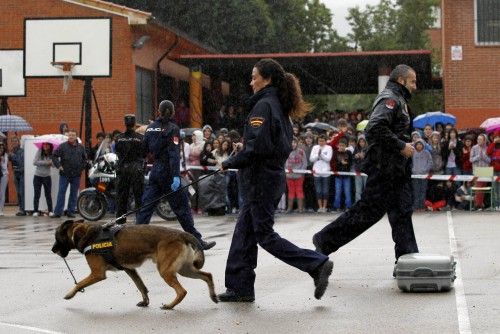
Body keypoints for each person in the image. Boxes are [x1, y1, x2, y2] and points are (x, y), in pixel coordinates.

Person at [218, 58, 333, 303]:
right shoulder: (279, 106)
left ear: (267, 79)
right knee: (244, 234)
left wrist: (230, 162)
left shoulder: (264, 106)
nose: (251, 82)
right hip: (268, 178)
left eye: (254, 76)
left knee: (264, 235)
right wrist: (245, 147)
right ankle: (240, 287)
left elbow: (258, 148)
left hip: (260, 180)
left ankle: (316, 263)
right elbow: (270, 145)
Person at [312, 64, 419, 265]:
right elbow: (375, 128)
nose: (415, 86)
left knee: (402, 212)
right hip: (385, 169)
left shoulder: (400, 100)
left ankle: (408, 260)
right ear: (401, 80)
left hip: (397, 170)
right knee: (368, 212)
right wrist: (400, 145)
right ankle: (324, 240)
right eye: (412, 81)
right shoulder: (390, 99)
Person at [135, 100, 215, 250]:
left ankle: (134, 241)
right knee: (182, 209)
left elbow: (143, 151)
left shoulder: (150, 128)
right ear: (172, 112)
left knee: (145, 208)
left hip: (155, 172)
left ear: (158, 111)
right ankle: (197, 242)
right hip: (169, 172)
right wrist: (176, 176)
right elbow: (173, 155)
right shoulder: (173, 129)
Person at [114, 115, 145, 224]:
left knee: (122, 198)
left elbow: (116, 151)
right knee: (139, 197)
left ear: (125, 123)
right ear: (134, 123)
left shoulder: (118, 138)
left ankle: (120, 222)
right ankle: (140, 221)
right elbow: (144, 153)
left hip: (123, 169)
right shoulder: (141, 138)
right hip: (136, 169)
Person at [52, 129, 87, 218]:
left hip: (76, 175)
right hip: (64, 174)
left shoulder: (81, 147)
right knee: (61, 193)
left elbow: (85, 160)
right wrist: (59, 166)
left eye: (73, 135)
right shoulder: (62, 146)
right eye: (69, 135)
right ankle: (58, 212)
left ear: (76, 137)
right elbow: (54, 156)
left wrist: (81, 169)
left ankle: (70, 212)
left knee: (74, 193)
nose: (71, 137)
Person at [309, 134, 332, 212]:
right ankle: (320, 207)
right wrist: (317, 155)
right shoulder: (315, 147)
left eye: (322, 141)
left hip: (326, 172)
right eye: (319, 141)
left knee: (325, 191)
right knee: (318, 190)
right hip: (316, 172)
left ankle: (324, 207)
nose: (321, 142)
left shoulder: (329, 148)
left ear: (325, 141)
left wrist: (321, 154)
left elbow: (328, 159)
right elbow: (311, 159)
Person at [285, 137, 307, 213]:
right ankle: (289, 208)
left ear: (297, 143)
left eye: (294, 142)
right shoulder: (286, 151)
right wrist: (286, 171)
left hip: (299, 175)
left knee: (299, 191)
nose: (293, 144)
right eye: (291, 142)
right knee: (291, 191)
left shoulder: (301, 152)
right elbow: (284, 162)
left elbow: (304, 163)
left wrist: (300, 172)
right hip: (289, 175)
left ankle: (300, 208)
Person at [33, 142, 54, 216]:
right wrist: (46, 162)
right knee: (37, 194)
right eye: (44, 144)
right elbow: (34, 162)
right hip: (37, 176)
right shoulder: (39, 151)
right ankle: (35, 211)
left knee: (48, 194)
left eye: (47, 145)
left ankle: (50, 210)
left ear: (50, 146)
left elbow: (54, 166)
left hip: (47, 176)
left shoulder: (52, 153)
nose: (45, 146)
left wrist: (52, 163)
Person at [470, 133, 491, 210]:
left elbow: (489, 160)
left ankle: (480, 204)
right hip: (477, 170)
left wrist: (484, 156)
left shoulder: (488, 148)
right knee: (478, 188)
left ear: (485, 140)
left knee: (482, 188)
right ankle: (478, 205)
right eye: (478, 139)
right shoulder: (474, 148)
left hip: (486, 170)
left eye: (481, 139)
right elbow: (471, 159)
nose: (479, 141)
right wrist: (478, 156)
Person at [411, 139, 433, 211]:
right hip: (415, 175)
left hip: (424, 175)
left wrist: (425, 170)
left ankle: (422, 206)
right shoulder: (412, 153)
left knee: (423, 191)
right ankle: (416, 206)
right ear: (415, 145)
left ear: (423, 145)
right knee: (416, 191)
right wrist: (412, 170)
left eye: (420, 144)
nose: (419, 145)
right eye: (417, 144)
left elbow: (430, 162)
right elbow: (409, 163)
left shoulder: (427, 153)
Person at [9, 136, 26, 216]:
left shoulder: (22, 151)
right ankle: (20, 208)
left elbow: (20, 161)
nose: (14, 143)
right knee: (18, 193)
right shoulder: (12, 151)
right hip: (15, 173)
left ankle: (23, 209)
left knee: (21, 192)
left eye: (16, 141)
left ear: (19, 142)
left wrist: (12, 156)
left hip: (21, 174)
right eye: (13, 141)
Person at [486, 130, 500, 210]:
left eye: (498, 137)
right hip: (494, 170)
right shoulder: (492, 145)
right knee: (495, 188)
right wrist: (493, 143)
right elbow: (488, 152)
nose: (497, 138)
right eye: (496, 137)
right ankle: (496, 205)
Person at [0, 143, 8, 216]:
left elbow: (5, 168)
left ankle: (1, 209)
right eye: (0, 148)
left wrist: (1, 161)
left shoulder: (5, 156)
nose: (1, 149)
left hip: (3, 176)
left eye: (2, 148)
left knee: (2, 193)